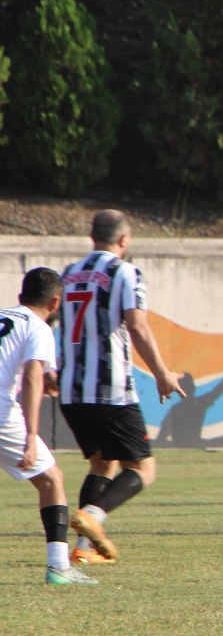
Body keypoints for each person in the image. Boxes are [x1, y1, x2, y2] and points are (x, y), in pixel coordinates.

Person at [59, 210, 186, 563]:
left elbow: (55, 322)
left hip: (72, 391)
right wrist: (162, 372)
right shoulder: (125, 272)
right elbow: (137, 326)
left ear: (92, 236)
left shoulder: (68, 274)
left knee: (102, 464)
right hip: (111, 390)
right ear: (124, 239)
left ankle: (83, 551)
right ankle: (92, 517)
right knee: (142, 469)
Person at [0, 268, 98, 584]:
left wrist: (47, 373)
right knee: (51, 479)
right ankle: (59, 567)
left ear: (20, 296)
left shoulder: (5, 318)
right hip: (2, 413)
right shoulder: (39, 327)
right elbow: (31, 376)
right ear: (55, 302)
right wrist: (30, 435)